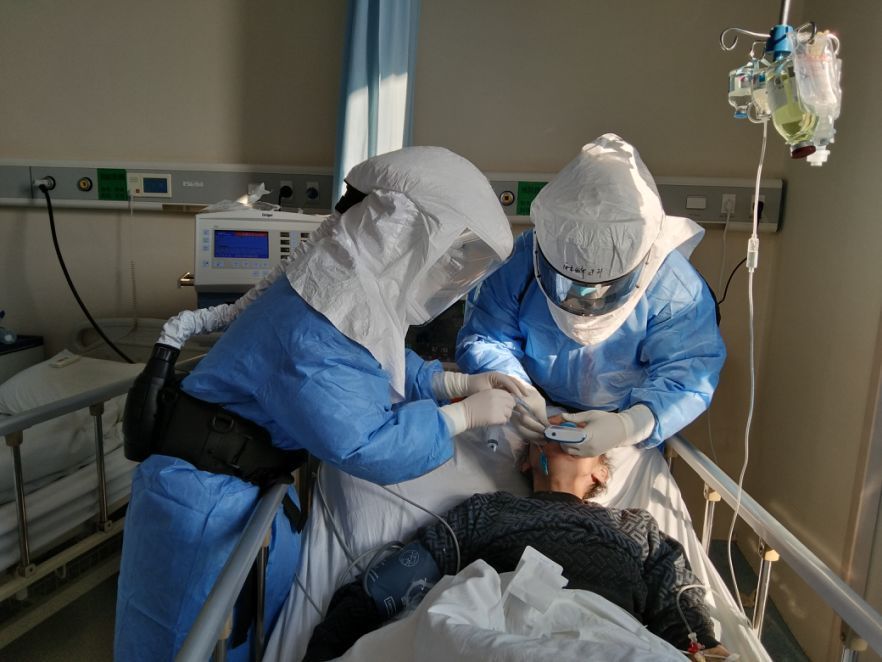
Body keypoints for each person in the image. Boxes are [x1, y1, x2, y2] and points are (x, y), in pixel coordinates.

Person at [115, 146, 529, 661]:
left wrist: (452, 384)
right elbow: (366, 444)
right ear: (401, 231)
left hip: (243, 485)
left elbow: (372, 358)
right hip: (202, 504)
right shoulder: (315, 317)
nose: (450, 271)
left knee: (235, 638)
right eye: (450, 253)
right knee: (182, 642)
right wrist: (461, 416)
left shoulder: (339, 292)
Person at [303, 438, 731, 661]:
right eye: (552, 430)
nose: (563, 432)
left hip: (605, 633)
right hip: (489, 623)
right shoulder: (487, 510)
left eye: (580, 433)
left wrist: (706, 648)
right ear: (527, 460)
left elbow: (679, 602)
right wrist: (330, 642)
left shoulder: (634, 525)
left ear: (602, 472)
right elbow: (395, 581)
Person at [456, 133, 727, 458]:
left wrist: (630, 425)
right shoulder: (522, 262)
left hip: (622, 416)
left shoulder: (672, 286)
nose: (585, 301)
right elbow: (486, 338)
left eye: (603, 289)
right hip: (534, 400)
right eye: (570, 284)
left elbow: (689, 370)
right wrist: (515, 389)